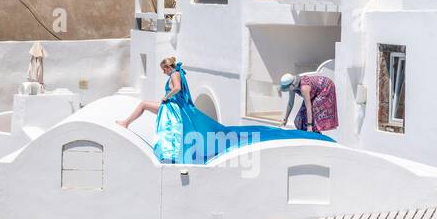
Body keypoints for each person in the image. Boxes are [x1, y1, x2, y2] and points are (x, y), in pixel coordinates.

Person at [117, 57, 332, 163]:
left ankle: (127, 124)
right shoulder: (179, 72)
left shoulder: (174, 75)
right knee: (150, 109)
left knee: (152, 112)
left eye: (163, 69)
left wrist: (166, 97)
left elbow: (177, 88)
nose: (163, 72)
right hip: (176, 108)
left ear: (167, 67)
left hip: (173, 108)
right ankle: (127, 122)